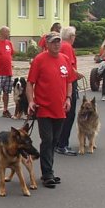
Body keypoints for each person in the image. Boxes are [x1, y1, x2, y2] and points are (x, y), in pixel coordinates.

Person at [25, 32, 71, 189]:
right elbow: (30, 83)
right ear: (47, 44)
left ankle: (49, 170)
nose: (56, 44)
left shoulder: (65, 59)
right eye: (53, 42)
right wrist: (31, 101)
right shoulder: (39, 60)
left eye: (58, 41)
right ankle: (47, 174)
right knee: (47, 140)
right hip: (43, 108)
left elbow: (69, 81)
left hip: (60, 108)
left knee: (54, 141)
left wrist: (68, 98)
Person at [55, 26, 82, 156]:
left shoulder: (62, 46)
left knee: (63, 114)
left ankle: (58, 142)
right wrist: (78, 74)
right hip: (68, 82)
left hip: (61, 82)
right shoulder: (67, 47)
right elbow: (69, 66)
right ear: (71, 36)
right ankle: (62, 144)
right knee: (69, 115)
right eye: (74, 35)